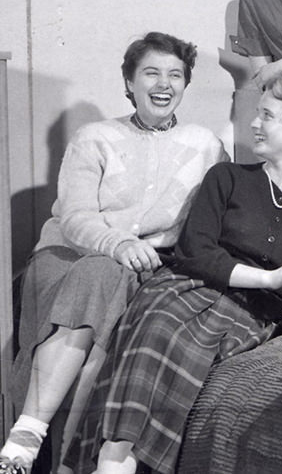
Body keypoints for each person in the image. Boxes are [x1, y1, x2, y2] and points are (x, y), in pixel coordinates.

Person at [67, 76, 282, 474]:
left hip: (254, 313)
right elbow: (195, 252)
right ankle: (114, 462)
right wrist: (270, 278)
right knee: (161, 327)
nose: (253, 124)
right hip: (188, 288)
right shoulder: (228, 179)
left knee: (195, 348)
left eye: (267, 116)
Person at [0, 33, 228, 474]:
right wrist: (119, 244)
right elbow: (77, 217)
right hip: (68, 259)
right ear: (129, 81)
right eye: (151, 73)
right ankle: (36, 441)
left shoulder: (206, 145)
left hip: (147, 268)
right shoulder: (95, 138)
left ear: (185, 85)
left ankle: (40, 451)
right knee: (102, 275)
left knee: (112, 336)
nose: (164, 84)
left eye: (175, 75)